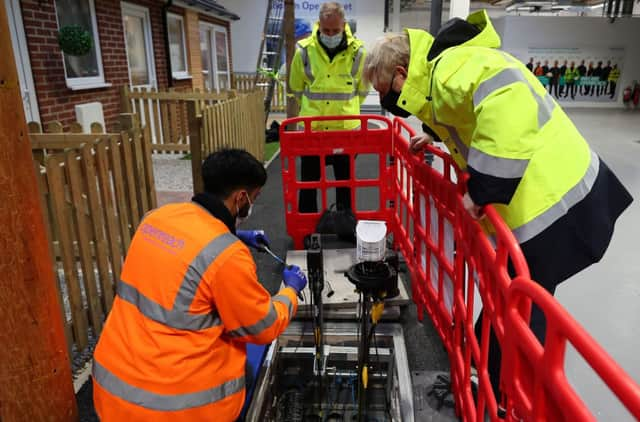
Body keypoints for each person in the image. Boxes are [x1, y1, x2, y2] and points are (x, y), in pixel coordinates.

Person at [362, 9, 632, 401]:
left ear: (402, 73)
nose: (386, 99)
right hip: (549, 199)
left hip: (555, 204)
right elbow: (465, 117)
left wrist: (483, 190)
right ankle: (491, 383)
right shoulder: (442, 72)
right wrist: (433, 137)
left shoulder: (451, 66)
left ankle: (506, 396)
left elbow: (506, 109)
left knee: (521, 304)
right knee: (512, 300)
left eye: (384, 88)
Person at [91, 149, 308, 421]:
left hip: (112, 392)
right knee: (251, 361)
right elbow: (262, 327)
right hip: (174, 409)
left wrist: (235, 235)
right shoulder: (228, 257)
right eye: (254, 197)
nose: (251, 204)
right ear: (241, 197)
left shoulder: (156, 219)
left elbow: (187, 246)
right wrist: (290, 290)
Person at [289, 2, 368, 213]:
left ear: (344, 25)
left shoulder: (358, 52)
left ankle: (346, 223)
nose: (330, 34)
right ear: (319, 25)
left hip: (345, 131)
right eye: (326, 30)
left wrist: (347, 110)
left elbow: (362, 90)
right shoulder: (304, 51)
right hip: (312, 131)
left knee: (345, 184)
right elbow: (296, 88)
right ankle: (307, 227)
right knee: (309, 183)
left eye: (335, 30)